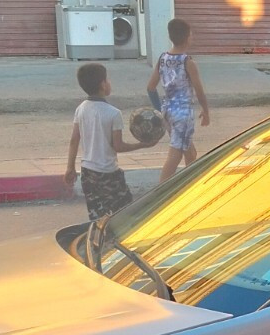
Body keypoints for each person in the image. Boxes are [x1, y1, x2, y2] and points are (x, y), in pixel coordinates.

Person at [64, 62, 148, 220]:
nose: (109, 83)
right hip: (108, 174)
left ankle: (98, 242)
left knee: (97, 217)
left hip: (88, 172)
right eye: (107, 80)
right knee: (125, 214)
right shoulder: (113, 113)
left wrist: (70, 167)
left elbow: (74, 140)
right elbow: (118, 146)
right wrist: (143, 144)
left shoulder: (81, 108)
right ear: (103, 84)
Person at [146, 18, 211, 183]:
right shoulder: (187, 62)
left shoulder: (162, 58)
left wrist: (159, 110)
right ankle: (159, 193)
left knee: (190, 152)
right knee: (175, 155)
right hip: (183, 113)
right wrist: (206, 110)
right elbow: (199, 90)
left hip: (168, 110)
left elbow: (151, 87)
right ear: (188, 37)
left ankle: (190, 185)